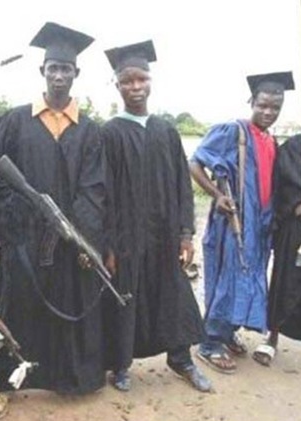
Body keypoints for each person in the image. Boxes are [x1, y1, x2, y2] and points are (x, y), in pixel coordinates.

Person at [0, 22, 106, 419]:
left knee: (65, 306)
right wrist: (21, 218)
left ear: (76, 75)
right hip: (23, 239)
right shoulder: (14, 122)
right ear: (42, 73)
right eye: (52, 67)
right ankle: (1, 384)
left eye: (65, 69)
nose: (58, 75)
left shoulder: (89, 131)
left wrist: (75, 231)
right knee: (14, 308)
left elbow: (96, 188)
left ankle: (65, 379)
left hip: (66, 242)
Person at [101, 40, 211, 393]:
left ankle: (181, 360)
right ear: (116, 85)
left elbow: (182, 184)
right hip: (126, 236)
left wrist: (185, 234)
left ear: (151, 81)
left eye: (141, 79)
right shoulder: (110, 133)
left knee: (173, 294)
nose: (135, 87)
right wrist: (108, 245)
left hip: (164, 234)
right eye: (127, 81)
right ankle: (119, 365)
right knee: (126, 297)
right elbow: (102, 193)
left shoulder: (166, 130)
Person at [190, 71, 294, 374]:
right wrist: (216, 196)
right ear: (252, 101)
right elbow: (195, 163)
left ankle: (226, 331)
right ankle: (209, 343)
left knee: (249, 277)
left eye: (275, 108)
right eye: (263, 105)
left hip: (259, 224)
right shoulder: (232, 131)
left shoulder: (271, 140)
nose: (268, 112)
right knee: (227, 278)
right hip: (233, 220)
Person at [252, 129, 301, 366]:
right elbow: (283, 185)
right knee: (284, 280)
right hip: (295, 227)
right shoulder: (293, 147)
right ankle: (272, 336)